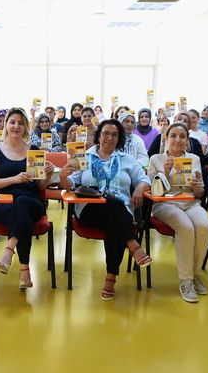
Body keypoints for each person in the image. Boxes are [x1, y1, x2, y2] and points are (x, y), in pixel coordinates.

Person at [59, 119, 152, 301]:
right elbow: (70, 185)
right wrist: (63, 176)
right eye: (105, 133)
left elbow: (143, 179)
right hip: (89, 211)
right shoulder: (84, 156)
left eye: (114, 135)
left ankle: (111, 277)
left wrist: (139, 189)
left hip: (119, 213)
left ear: (119, 139)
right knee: (114, 206)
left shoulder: (127, 160)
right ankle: (133, 245)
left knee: (114, 216)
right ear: (98, 135)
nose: (109, 138)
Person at [0, 107, 55, 289]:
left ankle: (10, 248)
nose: (16, 126)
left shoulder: (35, 150)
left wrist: (47, 176)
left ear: (25, 127)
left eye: (21, 123)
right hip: (4, 204)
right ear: (6, 124)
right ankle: (25, 270)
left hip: (32, 203)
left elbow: (40, 187)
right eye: (12, 122)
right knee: (21, 216)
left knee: (22, 203)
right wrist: (14, 179)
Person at [147, 123, 208, 303]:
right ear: (166, 138)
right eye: (173, 136)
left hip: (190, 202)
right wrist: (165, 172)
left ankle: (195, 273)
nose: (178, 140)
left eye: (182, 136)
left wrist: (198, 188)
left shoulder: (194, 158)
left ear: (187, 140)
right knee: (185, 227)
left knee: (204, 227)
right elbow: (153, 191)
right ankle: (185, 280)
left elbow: (200, 192)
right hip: (164, 204)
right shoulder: (155, 159)